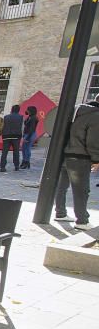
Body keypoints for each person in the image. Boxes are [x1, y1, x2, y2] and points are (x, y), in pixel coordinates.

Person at [54, 98, 99, 230]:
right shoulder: (96, 116)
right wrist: (96, 160)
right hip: (80, 157)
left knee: (62, 186)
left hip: (65, 154)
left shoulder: (76, 111)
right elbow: (93, 141)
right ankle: (82, 221)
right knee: (81, 190)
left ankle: (60, 212)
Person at [0, 104, 23, 172]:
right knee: (16, 151)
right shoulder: (20, 117)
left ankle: (2, 167)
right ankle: (16, 166)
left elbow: (4, 126)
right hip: (16, 136)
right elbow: (22, 127)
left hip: (6, 135)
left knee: (4, 152)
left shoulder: (6, 117)